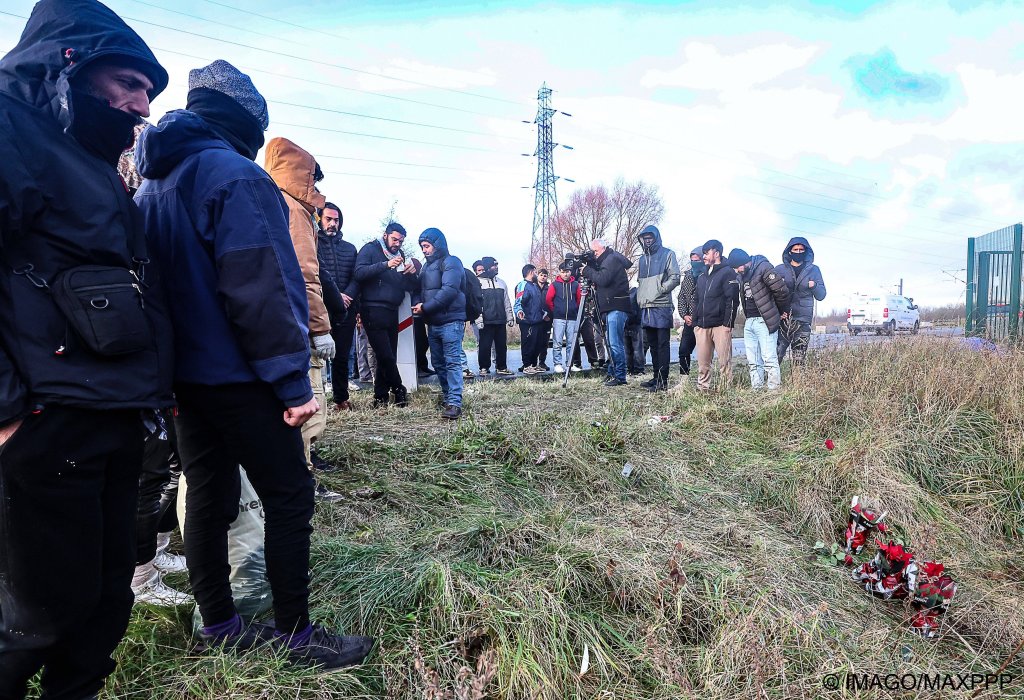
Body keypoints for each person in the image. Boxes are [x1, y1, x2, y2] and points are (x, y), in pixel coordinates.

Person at [134, 59, 372, 669]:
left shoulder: (154, 180)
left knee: (208, 498)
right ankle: (296, 633)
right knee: (290, 494)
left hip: (183, 379)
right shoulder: (233, 175)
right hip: (239, 374)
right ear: (245, 121)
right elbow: (259, 287)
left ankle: (219, 621)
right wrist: (293, 383)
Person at [0, 3, 175, 695]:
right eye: (130, 82)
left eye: (149, 93)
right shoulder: (11, 132)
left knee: (105, 602)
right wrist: (7, 410)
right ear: (69, 63)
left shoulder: (94, 161)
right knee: (35, 617)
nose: (141, 105)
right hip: (47, 419)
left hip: (114, 412)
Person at [264, 138, 336, 490]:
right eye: (313, 179)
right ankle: (302, 478)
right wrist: (321, 328)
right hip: (300, 326)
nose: (316, 188)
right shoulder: (294, 210)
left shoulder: (264, 199)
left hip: (273, 322)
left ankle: (299, 467)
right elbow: (306, 274)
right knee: (311, 402)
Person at [354, 222, 419, 407]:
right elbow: (359, 273)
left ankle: (380, 397)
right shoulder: (370, 249)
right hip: (372, 309)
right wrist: (385, 264)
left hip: (392, 310)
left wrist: (411, 273)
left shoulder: (401, 255)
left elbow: (407, 285)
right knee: (386, 355)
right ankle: (399, 389)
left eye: (401, 241)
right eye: (395, 239)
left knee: (387, 356)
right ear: (385, 235)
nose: (397, 243)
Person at [412, 228, 466, 419]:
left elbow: (450, 290)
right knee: (438, 362)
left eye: (427, 246)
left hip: (451, 321)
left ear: (437, 245)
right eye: (422, 247)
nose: (424, 250)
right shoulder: (426, 267)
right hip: (433, 322)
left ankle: (454, 402)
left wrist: (425, 308)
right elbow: (418, 289)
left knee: (452, 362)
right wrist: (418, 304)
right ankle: (447, 395)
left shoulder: (452, 262)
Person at [316, 202, 360, 410]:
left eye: (336, 220)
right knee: (317, 357)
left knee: (342, 357)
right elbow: (315, 275)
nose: (333, 224)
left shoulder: (350, 249)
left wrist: (347, 296)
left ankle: (341, 399)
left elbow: (356, 276)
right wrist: (335, 296)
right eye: (329, 219)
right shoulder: (312, 244)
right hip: (320, 308)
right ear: (319, 219)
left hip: (346, 310)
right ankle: (316, 400)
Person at [728, 248, 790, 391]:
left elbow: (782, 290)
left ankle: (773, 392)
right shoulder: (742, 276)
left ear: (744, 262)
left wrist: (781, 311)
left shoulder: (763, 267)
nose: (737, 271)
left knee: (769, 359)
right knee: (753, 361)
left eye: (737, 267)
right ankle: (757, 390)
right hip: (749, 321)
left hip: (764, 321)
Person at [580, 238, 633, 386]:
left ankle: (620, 376)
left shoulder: (611, 259)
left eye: (595, 251)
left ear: (603, 248)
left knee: (615, 343)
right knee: (610, 343)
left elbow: (603, 279)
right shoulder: (606, 260)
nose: (594, 254)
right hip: (611, 307)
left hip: (616, 306)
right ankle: (612, 373)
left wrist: (587, 270)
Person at [635, 226, 680, 391]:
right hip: (646, 307)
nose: (647, 240)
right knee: (652, 345)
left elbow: (675, 277)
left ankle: (663, 380)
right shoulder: (641, 259)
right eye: (644, 238)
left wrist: (661, 289)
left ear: (656, 238)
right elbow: (641, 282)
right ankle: (656, 377)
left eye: (650, 238)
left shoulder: (668, 254)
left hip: (661, 306)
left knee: (662, 345)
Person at [692, 240, 739, 391]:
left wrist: (728, 325)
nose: (704, 256)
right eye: (703, 253)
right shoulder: (701, 276)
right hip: (702, 326)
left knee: (724, 362)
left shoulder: (728, 272)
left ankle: (725, 390)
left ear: (717, 253)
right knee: (703, 363)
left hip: (720, 326)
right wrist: (696, 323)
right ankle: (703, 389)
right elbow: (696, 300)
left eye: (706, 253)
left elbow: (732, 300)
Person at [776, 237, 827, 365]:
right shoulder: (779, 269)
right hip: (783, 320)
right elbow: (771, 295)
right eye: (795, 249)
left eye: (801, 250)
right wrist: (777, 313)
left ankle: (798, 384)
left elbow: (821, 295)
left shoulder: (814, 270)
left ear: (806, 251)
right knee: (776, 356)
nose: (798, 252)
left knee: (799, 359)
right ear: (789, 251)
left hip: (803, 320)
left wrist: (814, 285)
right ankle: (771, 383)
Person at [476, 256, 515, 375]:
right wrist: (479, 319)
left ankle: (501, 367)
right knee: (484, 346)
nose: (496, 267)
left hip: (500, 320)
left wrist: (510, 317)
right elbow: (476, 302)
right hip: (486, 321)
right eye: (494, 265)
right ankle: (484, 368)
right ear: (488, 267)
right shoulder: (478, 282)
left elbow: (506, 301)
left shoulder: (502, 283)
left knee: (501, 346)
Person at [546, 263, 582, 374]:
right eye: (563, 272)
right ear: (559, 272)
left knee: (571, 343)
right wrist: (556, 310)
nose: (565, 274)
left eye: (567, 272)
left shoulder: (576, 284)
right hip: (559, 318)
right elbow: (548, 299)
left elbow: (579, 299)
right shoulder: (554, 285)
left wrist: (574, 309)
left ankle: (569, 364)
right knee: (557, 342)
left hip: (572, 318)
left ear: (570, 272)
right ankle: (557, 364)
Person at [514, 264, 546, 374]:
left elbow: (537, 304)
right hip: (527, 321)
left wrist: (544, 313)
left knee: (537, 344)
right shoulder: (522, 285)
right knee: (528, 344)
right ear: (531, 272)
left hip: (537, 320)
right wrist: (519, 312)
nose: (536, 275)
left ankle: (533, 364)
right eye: (535, 272)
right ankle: (526, 366)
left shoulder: (535, 286)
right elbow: (518, 301)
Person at [676, 248, 703, 379]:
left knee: (704, 354)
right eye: (692, 260)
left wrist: (697, 316)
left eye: (697, 260)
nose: (694, 263)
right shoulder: (687, 276)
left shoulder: (708, 275)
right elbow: (681, 297)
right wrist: (684, 314)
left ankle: (704, 381)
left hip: (704, 321)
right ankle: (683, 380)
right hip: (689, 321)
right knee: (683, 350)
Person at [624, 287, 646, 375]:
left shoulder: (633, 292)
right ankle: (637, 369)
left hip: (631, 323)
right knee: (635, 348)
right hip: (632, 323)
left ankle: (636, 369)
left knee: (632, 349)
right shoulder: (636, 292)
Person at [535, 268, 552, 371]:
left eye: (545, 276)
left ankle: (542, 362)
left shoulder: (549, 288)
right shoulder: (532, 286)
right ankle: (531, 363)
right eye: (541, 275)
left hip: (547, 319)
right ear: (538, 275)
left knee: (544, 342)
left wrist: (549, 315)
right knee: (534, 341)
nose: (543, 277)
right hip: (535, 319)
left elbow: (551, 303)